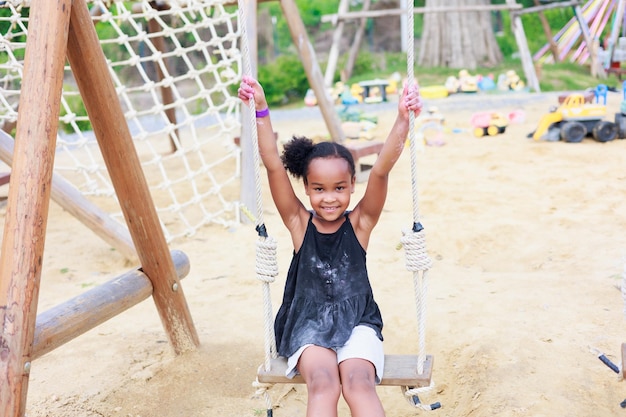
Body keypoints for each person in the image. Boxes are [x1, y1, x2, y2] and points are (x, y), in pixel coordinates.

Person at [238, 76, 423, 417]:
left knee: (357, 383)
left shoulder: (360, 224)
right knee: (324, 383)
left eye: (339, 188)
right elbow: (273, 165)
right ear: (306, 189)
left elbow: (381, 171)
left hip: (358, 321)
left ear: (353, 184)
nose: (329, 198)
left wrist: (402, 119)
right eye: (319, 189)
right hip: (307, 322)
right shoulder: (298, 223)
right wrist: (261, 110)